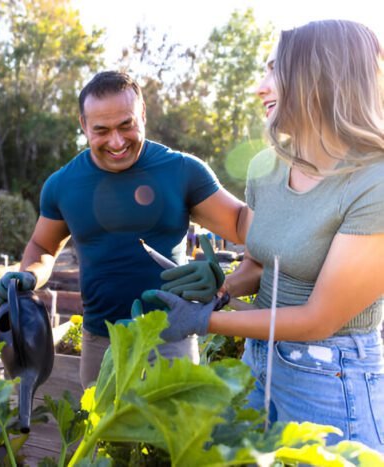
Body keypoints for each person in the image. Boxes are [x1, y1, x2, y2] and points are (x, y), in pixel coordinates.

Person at [148, 20, 384, 451]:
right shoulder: (266, 168)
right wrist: (221, 286)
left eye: (276, 71)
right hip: (259, 363)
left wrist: (205, 320)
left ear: (322, 77)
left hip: (332, 375)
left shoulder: (374, 183)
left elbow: (319, 319)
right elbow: (260, 261)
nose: (260, 86)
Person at [0, 71, 250, 387]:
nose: (116, 142)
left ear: (142, 114)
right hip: (101, 342)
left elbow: (242, 225)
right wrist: (28, 275)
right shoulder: (63, 185)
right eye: (101, 130)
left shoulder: (182, 170)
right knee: (103, 435)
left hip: (169, 340)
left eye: (126, 125)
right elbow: (43, 247)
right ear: (83, 125)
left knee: (174, 435)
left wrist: (226, 281)